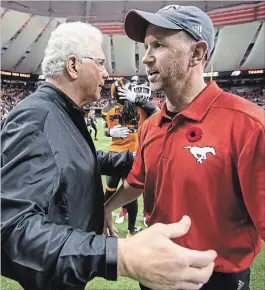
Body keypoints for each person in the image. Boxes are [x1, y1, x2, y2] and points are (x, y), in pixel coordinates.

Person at [1, 21, 217, 290]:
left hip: (65, 269)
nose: (106, 73)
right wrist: (119, 254)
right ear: (73, 65)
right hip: (52, 276)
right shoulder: (36, 118)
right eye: (100, 62)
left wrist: (140, 160)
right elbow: (12, 231)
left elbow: (73, 160)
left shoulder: (62, 111)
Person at [104, 5, 265, 290]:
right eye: (146, 46)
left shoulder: (249, 126)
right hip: (155, 274)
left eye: (160, 45)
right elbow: (138, 182)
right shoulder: (151, 126)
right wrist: (106, 207)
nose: (147, 58)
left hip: (217, 280)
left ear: (197, 53)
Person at [102, 78, 157, 236]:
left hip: (117, 156)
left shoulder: (108, 109)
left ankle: (108, 224)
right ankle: (130, 230)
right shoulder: (141, 108)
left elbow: (105, 128)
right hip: (130, 157)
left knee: (112, 191)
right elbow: (156, 112)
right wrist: (111, 132)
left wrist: (109, 132)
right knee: (126, 192)